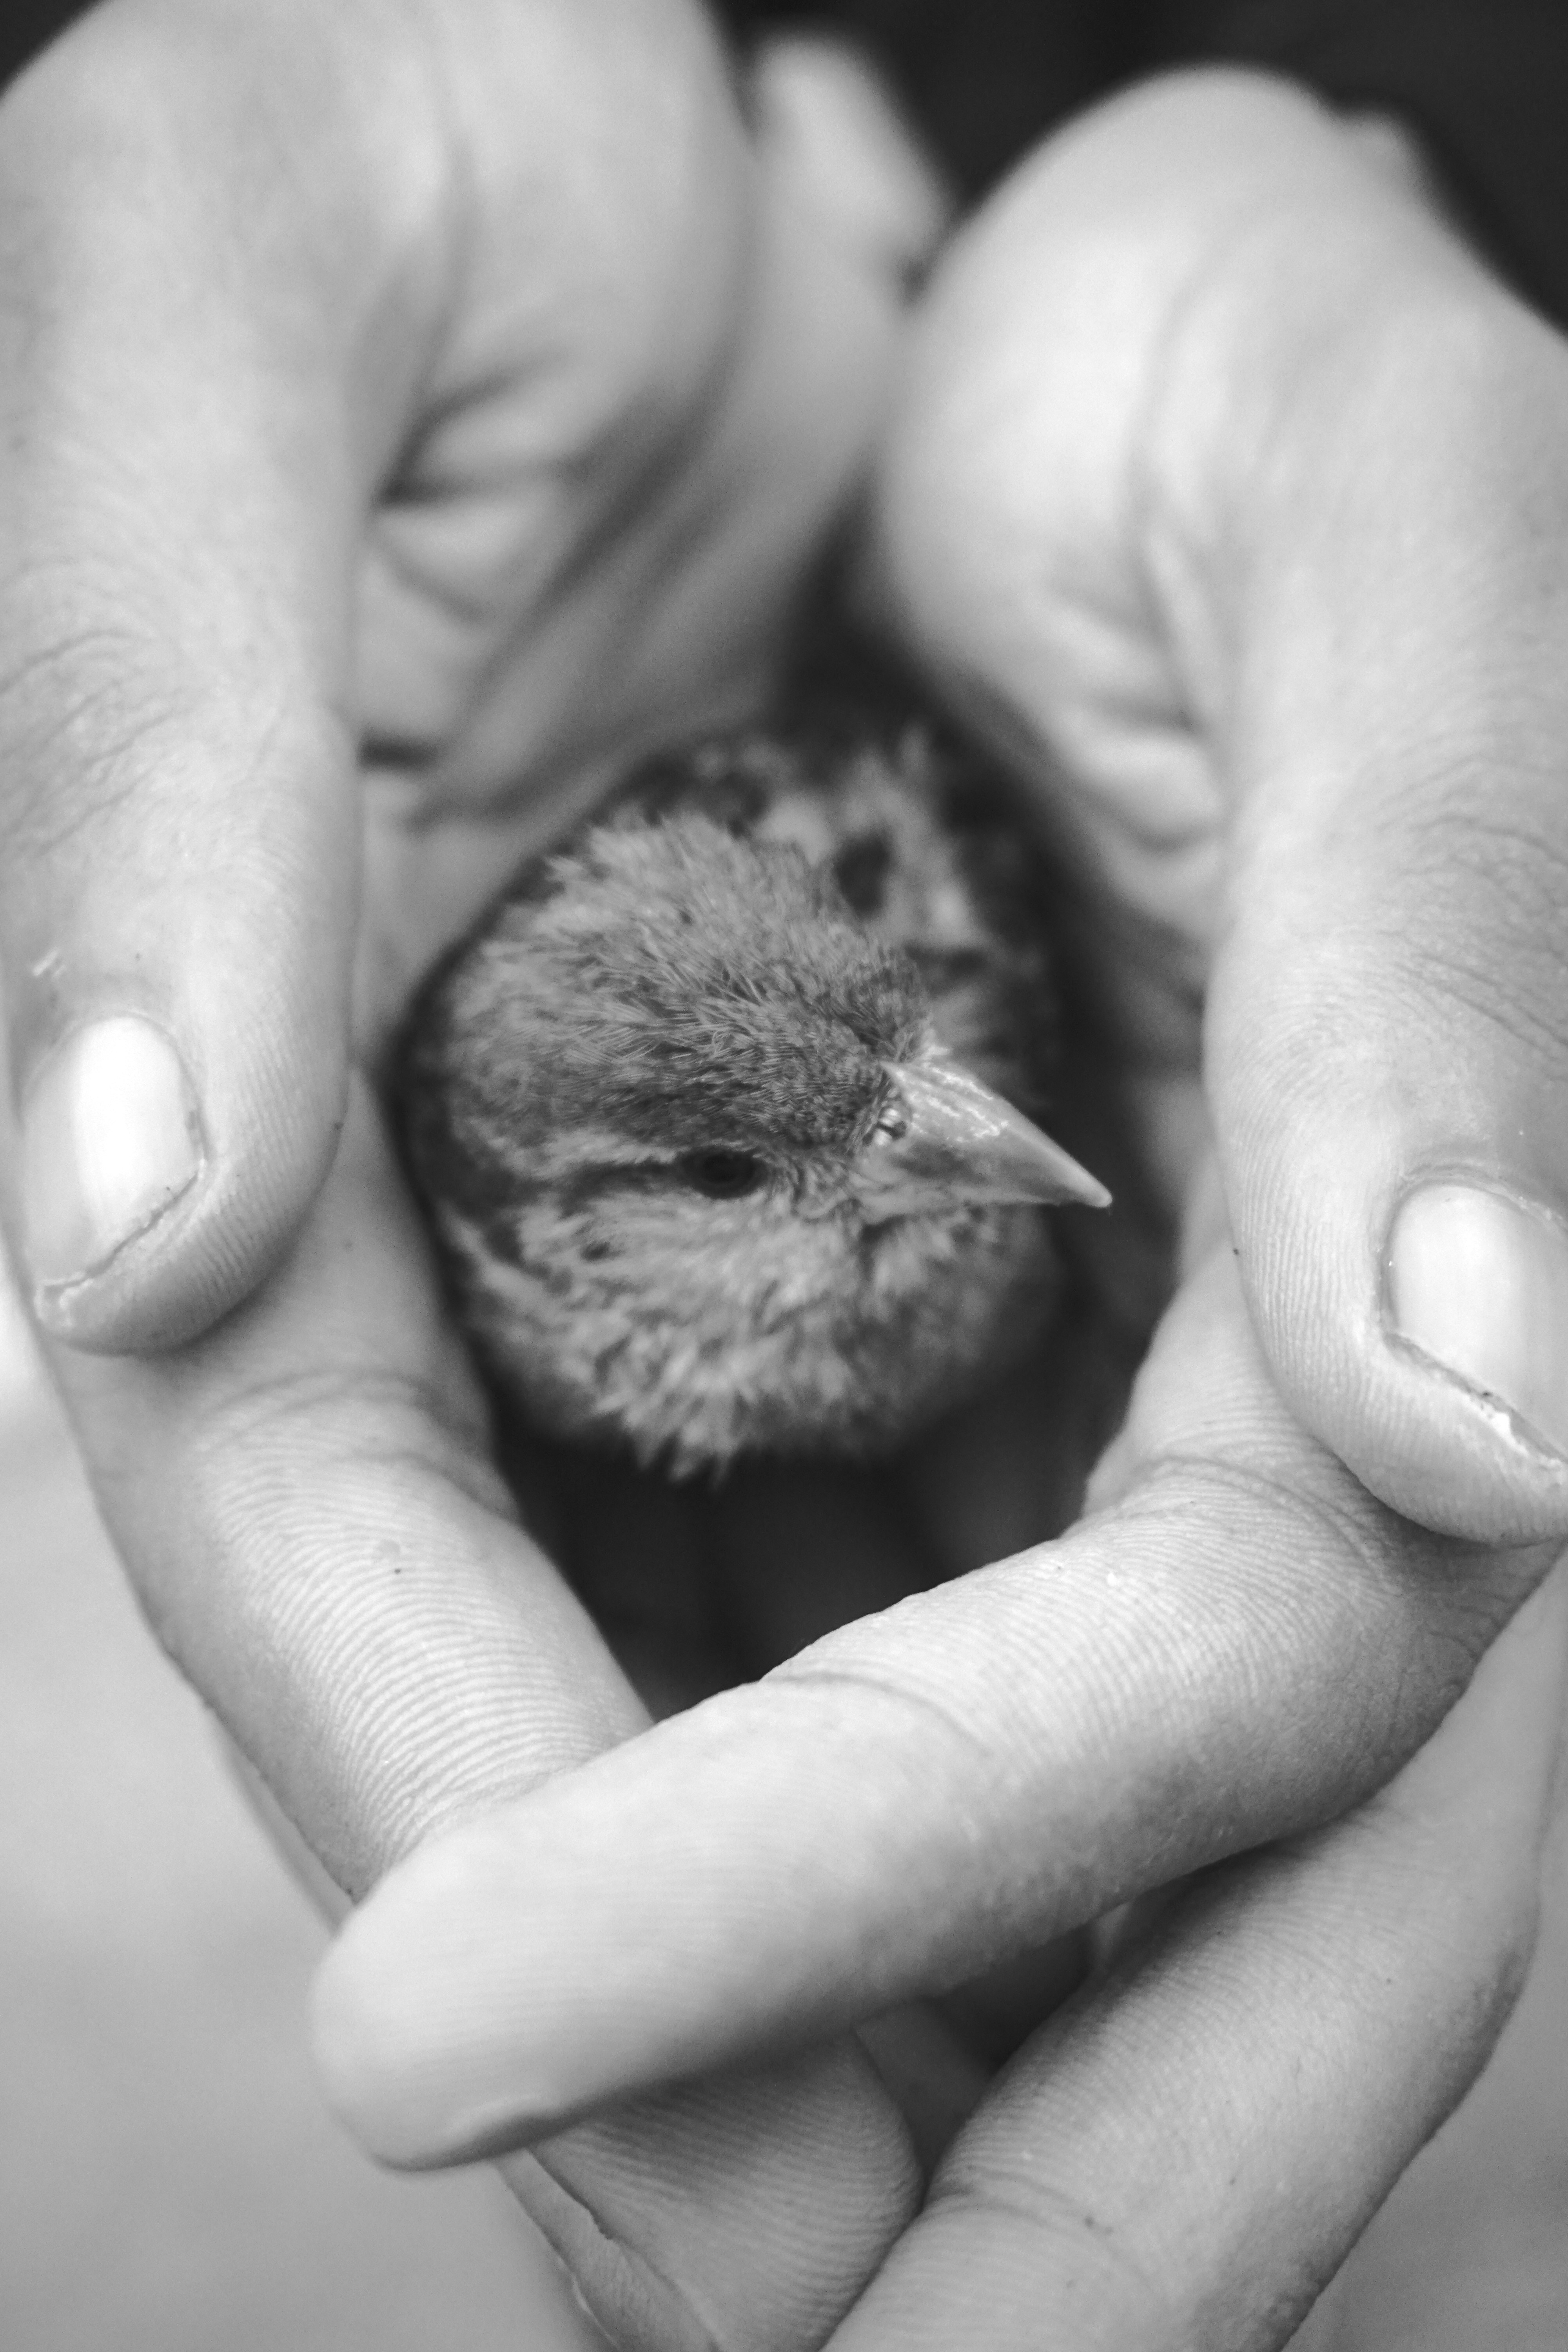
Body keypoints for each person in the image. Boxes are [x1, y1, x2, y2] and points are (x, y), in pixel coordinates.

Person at [2, 2, 1567, 2345]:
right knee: (689, 2068)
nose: (947, 1137)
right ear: (547, 1237)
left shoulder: (902, 915)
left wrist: (1406, 150)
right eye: (760, 1160)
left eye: (907, 1070)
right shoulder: (495, 1225)